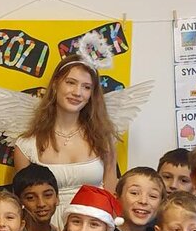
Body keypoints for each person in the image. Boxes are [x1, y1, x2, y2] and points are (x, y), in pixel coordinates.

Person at [12, 57, 119, 206]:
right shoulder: (26, 146)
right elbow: (25, 202)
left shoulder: (104, 140)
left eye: (86, 87)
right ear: (55, 84)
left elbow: (110, 199)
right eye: (70, 83)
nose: (77, 92)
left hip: (94, 220)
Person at [111, 166, 166, 231]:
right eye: (134, 193)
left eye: (153, 196)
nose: (143, 201)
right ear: (117, 198)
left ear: (162, 203)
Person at [13, 163, 59, 231]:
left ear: (57, 198)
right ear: (19, 202)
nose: (41, 204)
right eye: (30, 198)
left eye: (48, 195)